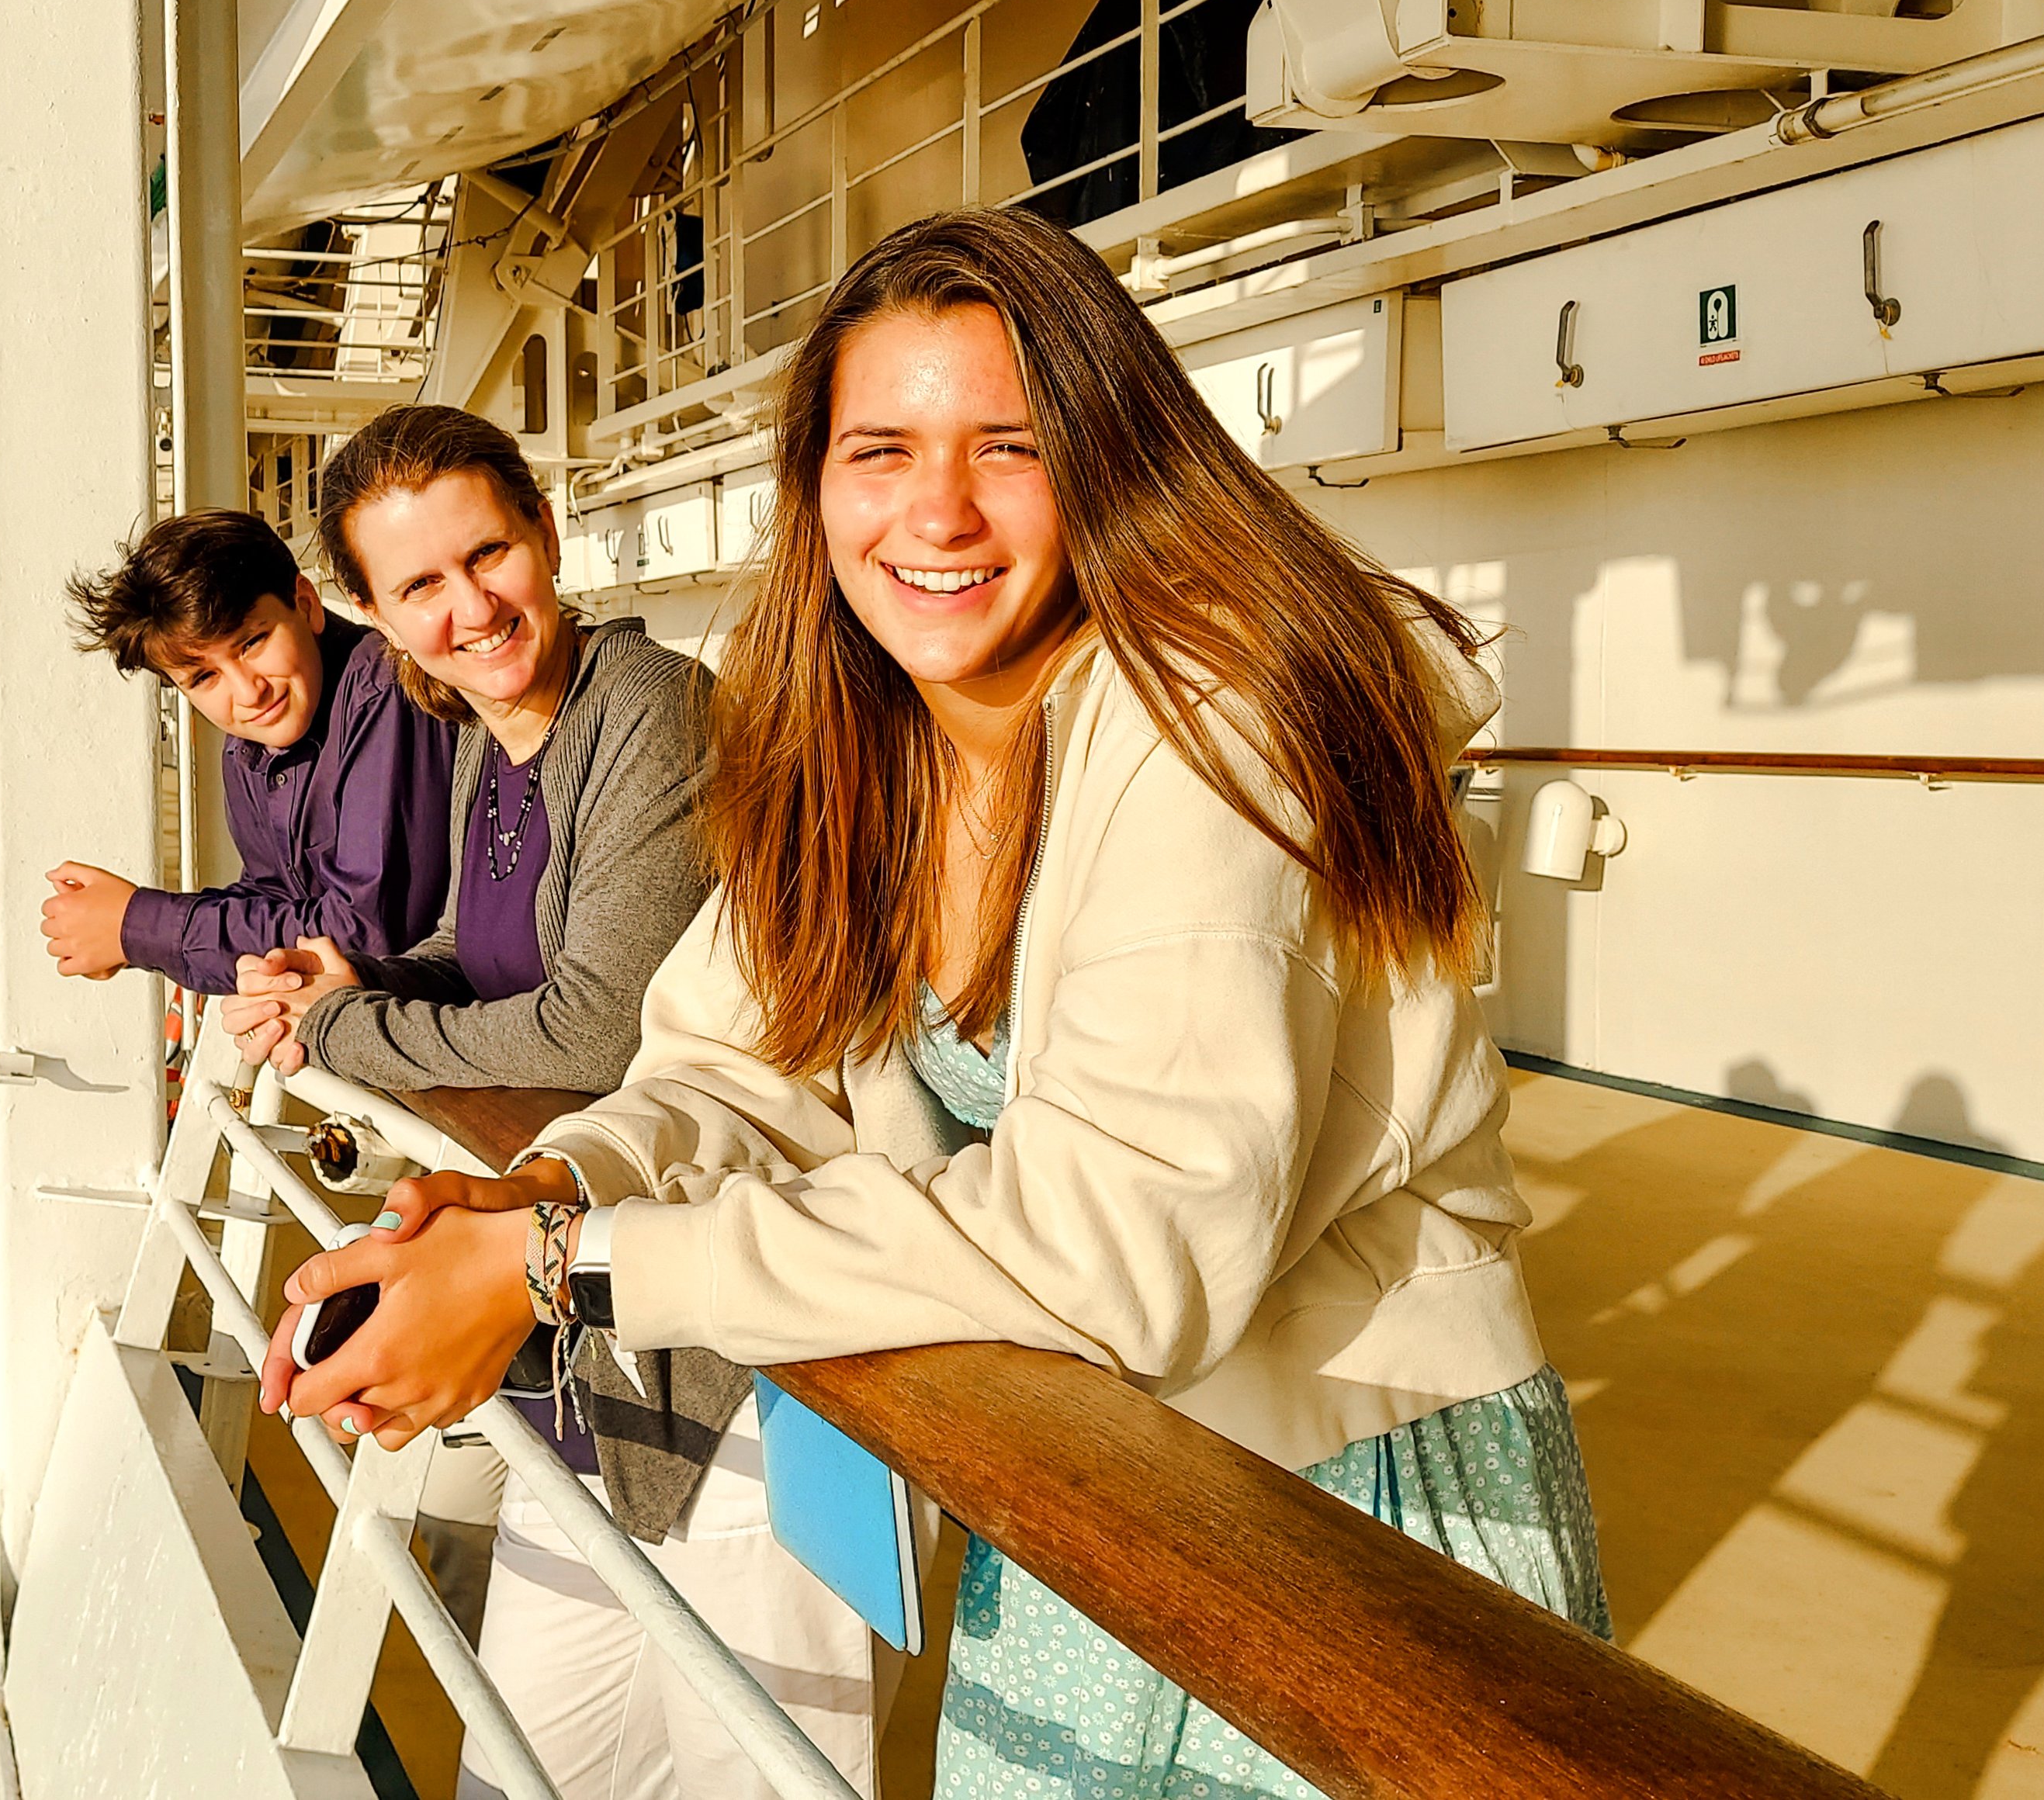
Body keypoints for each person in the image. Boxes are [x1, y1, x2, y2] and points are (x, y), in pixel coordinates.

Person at [262, 209, 1612, 1800]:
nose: (937, 510)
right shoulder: (876, 737)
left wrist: (563, 1269)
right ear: (816, 483)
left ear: (1111, 460)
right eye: (881, 452)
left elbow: (1121, 1245)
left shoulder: (1216, 722)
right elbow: (734, 1062)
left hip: (1339, 1505)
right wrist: (550, 1185)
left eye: (1009, 448)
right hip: (1092, 1483)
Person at [229, 404, 879, 1800]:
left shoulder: (648, 713)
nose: (470, 608)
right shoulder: (492, 732)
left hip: (737, 1368)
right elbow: (483, 953)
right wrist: (353, 980)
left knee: (753, 1773)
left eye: (489, 554)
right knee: (525, 1767)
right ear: (372, 615)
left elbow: (597, 1024)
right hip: (580, 1337)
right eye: (420, 585)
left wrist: (340, 1026)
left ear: (546, 531)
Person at [45, 507, 455, 995]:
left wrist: (138, 928)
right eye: (204, 677)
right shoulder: (249, 748)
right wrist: (123, 929)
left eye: (252, 643)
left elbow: (370, 931)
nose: (248, 691)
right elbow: (276, 898)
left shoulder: (383, 694)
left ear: (306, 604)